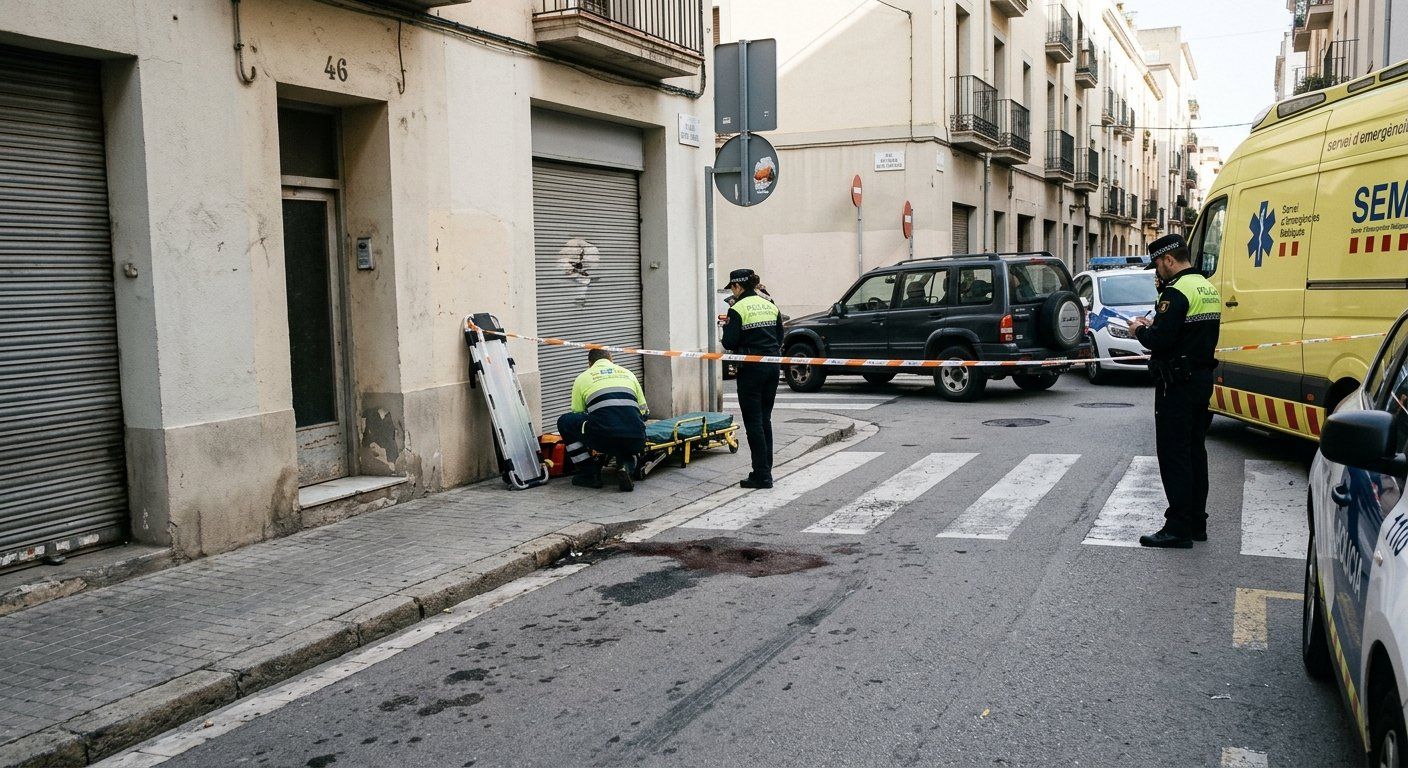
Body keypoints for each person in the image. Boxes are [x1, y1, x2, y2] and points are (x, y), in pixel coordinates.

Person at [1128, 233, 1222, 548]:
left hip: (1176, 384)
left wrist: (1140, 330)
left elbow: (1161, 339)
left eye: (1157, 264)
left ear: (1169, 259)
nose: (1157, 271)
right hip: (1201, 379)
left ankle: (1178, 527)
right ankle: (1196, 522)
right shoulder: (1207, 288)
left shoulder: (1176, 291)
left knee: (1174, 454)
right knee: (1195, 451)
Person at [721, 268, 782, 489]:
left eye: (733, 288)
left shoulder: (737, 308)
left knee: (753, 421)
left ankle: (761, 475)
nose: (733, 292)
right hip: (773, 366)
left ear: (737, 286)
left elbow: (729, 342)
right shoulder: (770, 305)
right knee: (765, 419)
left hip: (751, 370)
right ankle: (766, 469)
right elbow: (780, 336)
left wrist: (726, 328)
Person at [557, 349, 648, 492]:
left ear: (589, 363)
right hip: (637, 438)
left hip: (603, 438)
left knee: (565, 421)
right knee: (625, 441)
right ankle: (625, 468)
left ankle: (589, 474)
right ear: (611, 359)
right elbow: (644, 412)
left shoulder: (583, 378)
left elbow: (578, 412)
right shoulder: (628, 373)